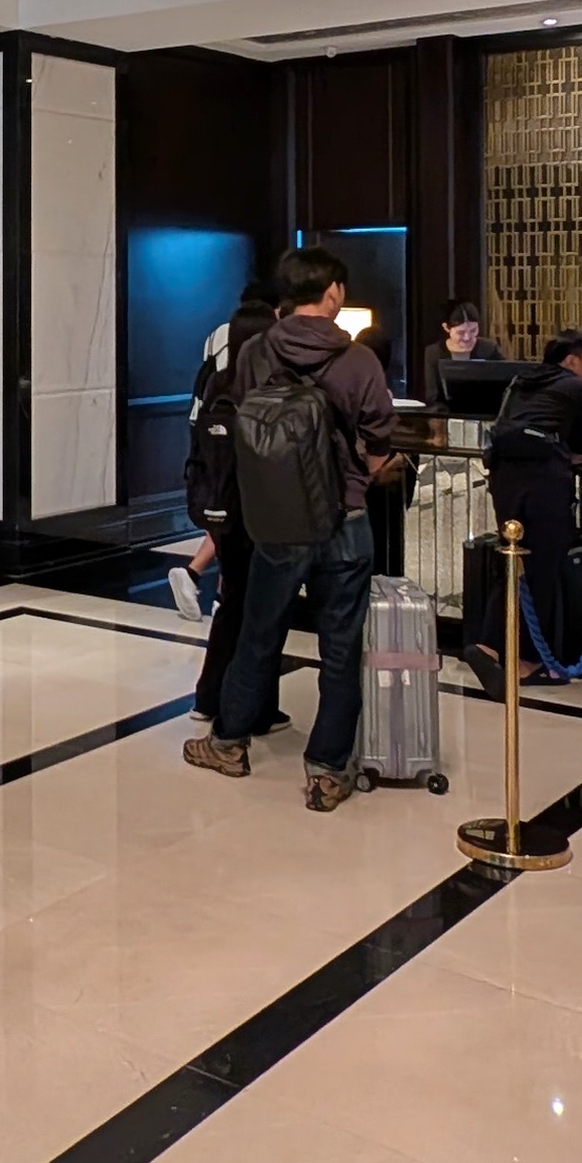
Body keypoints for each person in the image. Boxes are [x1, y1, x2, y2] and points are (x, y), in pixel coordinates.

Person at [182, 248, 395, 811]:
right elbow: (379, 440)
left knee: (258, 631)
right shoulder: (358, 361)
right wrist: (355, 479)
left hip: (275, 518)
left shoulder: (254, 351)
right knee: (341, 645)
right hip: (344, 519)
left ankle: (228, 742)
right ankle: (327, 769)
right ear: (332, 294)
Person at [469, 330, 582, 697]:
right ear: (571, 361)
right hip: (543, 480)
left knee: (515, 560)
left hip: (504, 476)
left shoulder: (522, 380)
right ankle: (526, 661)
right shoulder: (577, 389)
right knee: (544, 567)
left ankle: (487, 644)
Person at [180, 298, 286, 733]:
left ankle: (208, 697)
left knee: (232, 604)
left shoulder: (216, 380)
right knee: (259, 610)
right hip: (259, 510)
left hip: (220, 505)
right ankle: (251, 709)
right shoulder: (267, 386)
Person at [422, 299, 501, 406]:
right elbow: (432, 395)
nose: (467, 337)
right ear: (446, 328)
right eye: (461, 332)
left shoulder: (489, 348)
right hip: (446, 414)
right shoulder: (434, 352)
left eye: (473, 331)